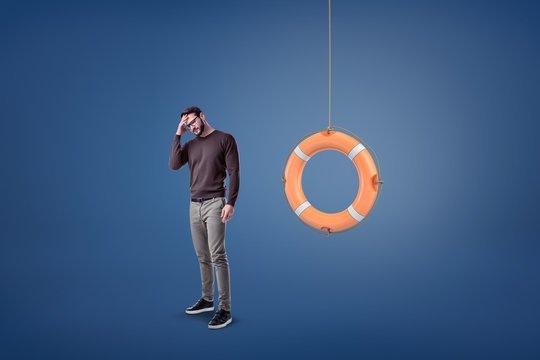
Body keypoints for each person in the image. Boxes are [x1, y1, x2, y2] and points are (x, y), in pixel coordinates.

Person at [169, 106, 239, 330]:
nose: (191, 126)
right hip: (194, 205)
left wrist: (230, 202)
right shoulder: (189, 145)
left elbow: (234, 172)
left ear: (202, 116)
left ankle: (225, 309)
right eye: (187, 125)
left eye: (191, 121)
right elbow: (173, 164)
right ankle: (207, 299)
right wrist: (178, 134)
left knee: (218, 255)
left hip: (215, 203)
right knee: (202, 256)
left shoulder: (225, 139)